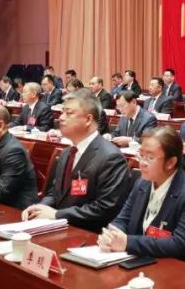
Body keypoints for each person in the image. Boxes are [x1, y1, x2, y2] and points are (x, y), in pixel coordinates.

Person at [100, 126, 185, 263]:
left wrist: (127, 243)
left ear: (170, 162)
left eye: (150, 158)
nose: (142, 163)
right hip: (141, 261)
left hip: (177, 266)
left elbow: (179, 244)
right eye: (141, 155)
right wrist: (111, 235)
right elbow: (123, 219)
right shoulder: (142, 183)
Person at [22, 93, 132, 232]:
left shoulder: (111, 157)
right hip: (59, 228)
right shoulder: (67, 152)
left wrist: (57, 215)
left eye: (68, 113)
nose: (61, 117)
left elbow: (105, 208)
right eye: (62, 112)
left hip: (89, 234)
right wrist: (41, 207)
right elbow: (55, 193)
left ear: (88, 119)